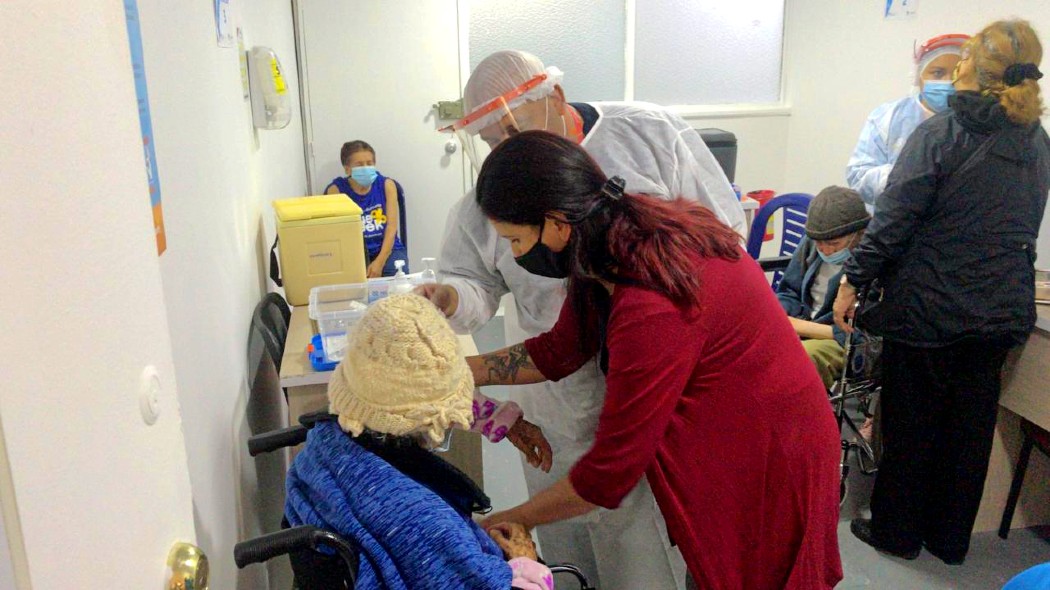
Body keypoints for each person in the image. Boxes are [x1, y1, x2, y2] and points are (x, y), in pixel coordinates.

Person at [419, 50, 746, 589]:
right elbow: (555, 346)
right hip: (561, 399)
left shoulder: (647, 139)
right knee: (572, 541)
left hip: (673, 385)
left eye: (514, 131)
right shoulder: (501, 207)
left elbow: (723, 234)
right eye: (493, 142)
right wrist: (453, 304)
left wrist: (510, 518)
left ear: (555, 99)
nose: (509, 151)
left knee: (646, 544)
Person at [469, 130, 843, 589]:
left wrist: (514, 518)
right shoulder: (608, 242)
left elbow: (608, 474)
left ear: (556, 225)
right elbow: (561, 349)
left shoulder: (651, 296)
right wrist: (462, 369)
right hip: (738, 435)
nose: (515, 254)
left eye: (515, 239)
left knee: (753, 575)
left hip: (770, 453)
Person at [834, 20, 1050, 565]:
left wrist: (852, 279)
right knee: (969, 429)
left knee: (911, 425)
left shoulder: (941, 133)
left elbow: (892, 223)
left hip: (929, 306)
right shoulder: (1037, 141)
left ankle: (897, 533)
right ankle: (950, 539)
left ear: (972, 69)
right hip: (999, 308)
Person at [285, 294, 554, 590]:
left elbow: (416, 395)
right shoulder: (423, 520)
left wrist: (502, 419)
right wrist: (527, 561)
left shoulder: (325, 441)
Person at [847, 33, 970, 210]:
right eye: (937, 73)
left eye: (957, 73)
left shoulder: (974, 122)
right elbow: (858, 177)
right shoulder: (887, 118)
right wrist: (910, 175)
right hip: (893, 226)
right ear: (918, 75)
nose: (948, 82)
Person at [777, 186, 871, 389]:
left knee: (800, 360)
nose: (825, 249)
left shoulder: (872, 260)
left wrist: (805, 328)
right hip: (803, 323)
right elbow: (788, 291)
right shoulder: (812, 242)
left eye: (834, 243)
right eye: (819, 242)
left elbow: (863, 335)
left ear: (859, 235)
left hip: (842, 340)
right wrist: (780, 313)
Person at [325, 140, 407, 277]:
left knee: (396, 280)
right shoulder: (336, 190)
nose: (365, 168)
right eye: (359, 164)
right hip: (354, 253)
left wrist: (379, 262)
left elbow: (391, 228)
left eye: (369, 163)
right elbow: (338, 235)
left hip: (388, 249)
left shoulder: (387, 185)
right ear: (347, 169)